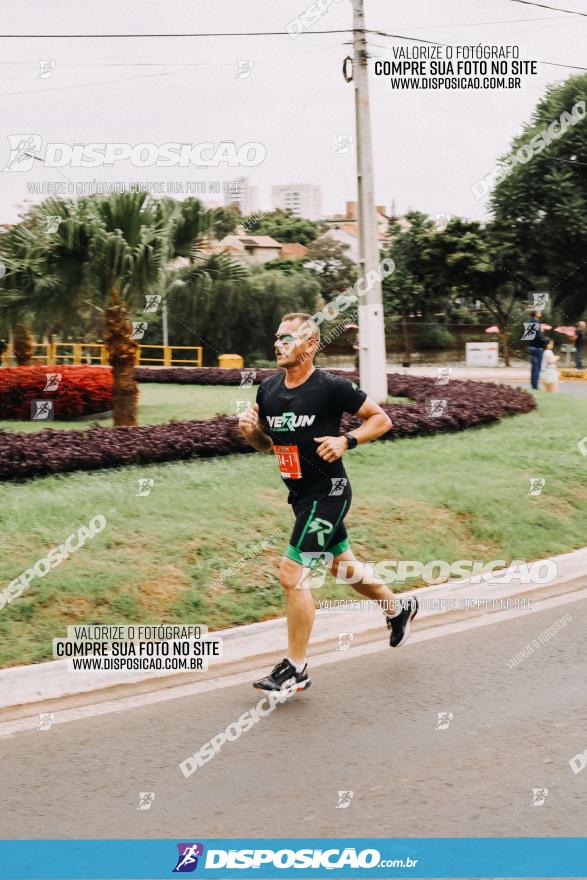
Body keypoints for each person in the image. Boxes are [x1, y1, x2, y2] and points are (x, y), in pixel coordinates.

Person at [238, 311, 418, 694]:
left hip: (329, 492)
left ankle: (295, 668)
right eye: (277, 337)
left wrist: (346, 440)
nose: (278, 344)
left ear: (311, 345)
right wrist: (253, 433)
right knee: (343, 567)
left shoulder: (332, 386)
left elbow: (381, 419)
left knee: (292, 573)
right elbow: (269, 447)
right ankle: (398, 609)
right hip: (300, 496)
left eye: (288, 338)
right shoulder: (267, 391)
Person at [525, 310, 549, 390]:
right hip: (538, 348)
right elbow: (538, 336)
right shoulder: (537, 322)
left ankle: (533, 384)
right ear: (535, 313)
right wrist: (546, 340)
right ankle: (535, 386)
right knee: (537, 367)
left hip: (531, 347)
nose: (540, 312)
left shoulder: (529, 321)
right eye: (539, 311)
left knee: (533, 367)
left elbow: (529, 336)